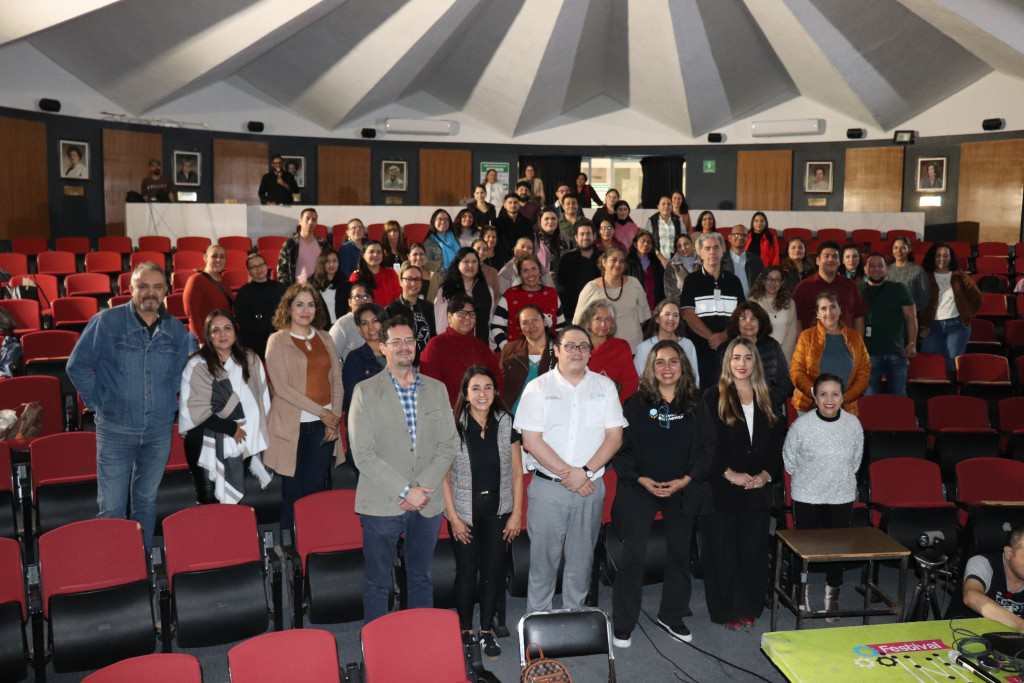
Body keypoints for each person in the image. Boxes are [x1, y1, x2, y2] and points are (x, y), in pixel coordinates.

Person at [67, 262, 193, 548]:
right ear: (130, 289)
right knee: (111, 507)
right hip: (115, 430)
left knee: (146, 503)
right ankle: (116, 569)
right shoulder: (106, 322)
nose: (151, 292)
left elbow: (180, 375)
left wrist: (165, 399)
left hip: (159, 430)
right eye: (143, 286)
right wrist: (98, 402)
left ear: (166, 291)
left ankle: (142, 561)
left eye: (157, 286)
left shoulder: (176, 329)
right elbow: (78, 366)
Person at [349, 318, 458, 623]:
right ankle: (378, 648)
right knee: (377, 582)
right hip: (382, 502)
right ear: (382, 347)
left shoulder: (436, 389)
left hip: (427, 500)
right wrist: (405, 490)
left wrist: (420, 488)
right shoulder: (365, 391)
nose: (404, 347)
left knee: (422, 577)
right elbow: (364, 454)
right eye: (395, 341)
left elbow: (448, 445)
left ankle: (419, 642)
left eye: (409, 340)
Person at [514, 325, 627, 613]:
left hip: (590, 488)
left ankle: (575, 618)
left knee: (581, 560)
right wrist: (572, 474)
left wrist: (586, 472)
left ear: (590, 352)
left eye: (583, 346)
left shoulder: (605, 387)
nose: (577, 352)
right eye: (570, 346)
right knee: (543, 561)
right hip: (549, 489)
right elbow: (530, 440)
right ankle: (537, 623)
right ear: (556, 350)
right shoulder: (537, 388)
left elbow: (615, 437)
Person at [611, 340, 713, 647]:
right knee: (633, 555)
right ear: (650, 368)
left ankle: (671, 614)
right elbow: (621, 449)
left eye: (672, 362)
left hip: (681, 485)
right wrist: (640, 479)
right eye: (660, 363)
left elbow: (708, 447)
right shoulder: (635, 403)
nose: (666, 368)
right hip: (643, 486)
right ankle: (623, 622)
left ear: (683, 366)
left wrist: (686, 479)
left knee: (680, 554)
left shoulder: (697, 402)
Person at [701, 337, 785, 630]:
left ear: (755, 363)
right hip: (722, 486)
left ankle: (749, 605)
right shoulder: (712, 397)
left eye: (748, 358)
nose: (742, 363)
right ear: (728, 362)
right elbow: (704, 446)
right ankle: (726, 610)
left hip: (756, 488)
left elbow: (777, 444)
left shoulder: (768, 397)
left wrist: (766, 473)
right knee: (722, 551)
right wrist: (728, 474)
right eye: (736, 357)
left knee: (752, 551)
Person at [442, 367, 523, 656]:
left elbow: (517, 472)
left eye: (488, 387)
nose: (482, 394)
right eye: (475, 388)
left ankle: (487, 631)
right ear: (465, 394)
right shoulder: (453, 426)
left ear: (495, 392)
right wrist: (453, 518)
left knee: (492, 573)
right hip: (465, 514)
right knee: (466, 573)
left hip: (499, 513)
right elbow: (444, 477)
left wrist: (516, 514)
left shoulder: (505, 422)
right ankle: (465, 631)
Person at [783, 373, 864, 619]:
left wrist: (836, 480)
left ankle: (832, 600)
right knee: (804, 549)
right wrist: (812, 480)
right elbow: (789, 461)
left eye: (835, 394)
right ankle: (801, 595)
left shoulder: (853, 425)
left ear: (843, 398)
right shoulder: (801, 426)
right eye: (823, 394)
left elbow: (856, 461)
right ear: (815, 398)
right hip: (807, 495)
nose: (829, 399)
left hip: (841, 495)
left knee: (837, 549)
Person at [263, 283, 344, 530]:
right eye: (299, 304)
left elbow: (337, 381)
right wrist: (324, 413)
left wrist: (334, 420)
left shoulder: (325, 337)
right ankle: (291, 551)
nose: (305, 310)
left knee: (315, 490)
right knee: (293, 492)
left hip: (323, 427)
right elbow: (282, 388)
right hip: (292, 426)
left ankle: (314, 542)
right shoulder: (277, 340)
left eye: (311, 304)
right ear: (288, 308)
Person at [178, 310, 272, 505]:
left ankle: (230, 535)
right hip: (203, 441)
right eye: (216, 330)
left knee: (233, 500)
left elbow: (261, 400)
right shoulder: (197, 364)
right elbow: (194, 411)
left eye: (227, 328)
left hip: (242, 439)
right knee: (208, 501)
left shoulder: (250, 359)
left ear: (235, 332)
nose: (222, 334)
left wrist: (244, 430)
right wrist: (230, 428)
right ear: (208, 336)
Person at [679, 232, 744, 389]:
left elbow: (741, 315)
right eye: (707, 248)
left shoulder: (734, 281)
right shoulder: (691, 281)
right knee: (703, 396)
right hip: (700, 351)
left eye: (716, 247)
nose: (712, 252)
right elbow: (688, 315)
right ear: (700, 254)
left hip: (729, 350)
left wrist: (725, 335)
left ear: (723, 251)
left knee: (728, 394)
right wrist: (713, 338)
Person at [790, 291, 871, 416]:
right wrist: (816, 393)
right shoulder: (806, 337)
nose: (829, 312)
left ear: (840, 310)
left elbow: (864, 372)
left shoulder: (855, 338)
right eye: (823, 308)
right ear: (817, 313)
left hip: (845, 408)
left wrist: (845, 398)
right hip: (809, 407)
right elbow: (796, 371)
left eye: (833, 307)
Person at [421, 292, 502, 408]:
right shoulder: (435, 346)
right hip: (449, 414)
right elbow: (430, 388)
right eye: (461, 313)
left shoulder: (481, 346)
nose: (467, 318)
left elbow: (497, 381)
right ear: (449, 317)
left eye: (471, 314)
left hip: (484, 412)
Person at [718, 302, 793, 417]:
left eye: (753, 318)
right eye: (743, 318)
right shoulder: (725, 348)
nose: (748, 323)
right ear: (736, 323)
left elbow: (786, 382)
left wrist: (769, 401)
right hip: (735, 410)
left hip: (769, 409)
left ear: (760, 322)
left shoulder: (772, 345)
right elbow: (716, 383)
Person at [919, 242, 983, 373]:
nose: (941, 259)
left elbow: (978, 298)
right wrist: (921, 326)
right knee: (929, 366)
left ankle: (951, 392)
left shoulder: (960, 276)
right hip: (931, 328)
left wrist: (967, 314)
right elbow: (916, 305)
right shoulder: (924, 277)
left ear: (950, 258)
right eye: (938, 255)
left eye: (945, 255)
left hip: (957, 328)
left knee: (951, 366)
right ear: (933, 257)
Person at [574, 245, 651, 353]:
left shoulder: (634, 284)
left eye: (622, 261)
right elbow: (579, 321)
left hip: (632, 348)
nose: (618, 264)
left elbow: (643, 317)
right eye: (614, 260)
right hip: (600, 350)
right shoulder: (590, 288)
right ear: (604, 262)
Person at [861, 254, 917, 396]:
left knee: (899, 395)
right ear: (865, 269)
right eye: (872, 266)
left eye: (880, 265)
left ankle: (900, 419)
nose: (876, 269)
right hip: (868, 354)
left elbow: (911, 317)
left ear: (886, 269)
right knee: (869, 396)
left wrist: (912, 343)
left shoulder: (899, 288)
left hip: (896, 352)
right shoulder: (858, 290)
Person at [957, 523, 1024, 633]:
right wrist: (1021, 625)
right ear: (1009, 553)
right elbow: (971, 597)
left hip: (1010, 643)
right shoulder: (982, 563)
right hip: (962, 636)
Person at [792, 241, 867, 334]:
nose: (831, 259)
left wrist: (857, 345)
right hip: (813, 346)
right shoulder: (803, 287)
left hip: (846, 344)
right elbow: (796, 319)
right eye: (826, 256)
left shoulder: (851, 286)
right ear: (817, 260)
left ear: (840, 261)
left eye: (835, 256)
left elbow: (858, 318)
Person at [490, 255, 563, 349]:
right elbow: (496, 326)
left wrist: (557, 350)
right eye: (525, 271)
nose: (530, 274)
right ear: (519, 274)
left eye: (534, 269)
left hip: (548, 353)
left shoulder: (552, 294)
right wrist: (506, 348)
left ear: (540, 272)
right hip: (517, 354)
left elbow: (561, 328)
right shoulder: (510, 295)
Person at [578, 299, 639, 405]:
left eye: (608, 319)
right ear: (589, 321)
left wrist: (611, 385)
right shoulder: (577, 348)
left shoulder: (621, 346)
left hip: (614, 405)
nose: (603, 324)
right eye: (598, 319)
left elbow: (631, 383)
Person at [499, 304, 557, 414]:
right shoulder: (509, 349)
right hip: (513, 415)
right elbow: (500, 383)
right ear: (520, 327)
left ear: (544, 321)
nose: (531, 325)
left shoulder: (560, 349)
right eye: (525, 323)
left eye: (535, 320)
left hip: (548, 414)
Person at [341, 303, 388, 430]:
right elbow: (355, 400)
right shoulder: (355, 358)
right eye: (364, 323)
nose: (371, 327)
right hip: (366, 426)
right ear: (359, 330)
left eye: (375, 321)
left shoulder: (396, 354)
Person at [434, 247, 494, 344]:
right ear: (458, 264)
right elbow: (441, 324)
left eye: (474, 261)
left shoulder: (487, 290)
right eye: (466, 261)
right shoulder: (447, 289)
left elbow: (489, 321)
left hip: (480, 346)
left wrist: (491, 347)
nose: (470, 265)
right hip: (453, 345)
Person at [234, 253, 287, 361]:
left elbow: (288, 312)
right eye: (254, 267)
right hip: (255, 343)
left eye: (261, 265)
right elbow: (244, 320)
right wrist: (268, 333)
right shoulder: (244, 293)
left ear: (267, 266)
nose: (259, 269)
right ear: (248, 271)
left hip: (280, 340)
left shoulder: (281, 288)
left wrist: (277, 333)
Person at [633, 299, 699, 387]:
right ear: (657, 318)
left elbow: (694, 378)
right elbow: (640, 380)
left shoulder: (687, 344)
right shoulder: (644, 347)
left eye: (675, 315)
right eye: (667, 314)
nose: (671, 319)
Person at [747, 266, 799, 363]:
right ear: (763, 281)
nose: (773, 283)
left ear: (782, 283)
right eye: (769, 279)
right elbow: (749, 330)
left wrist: (781, 353)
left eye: (777, 280)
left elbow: (792, 330)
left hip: (784, 356)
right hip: (759, 355)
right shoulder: (752, 302)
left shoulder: (790, 303)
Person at [384, 262, 436, 359]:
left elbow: (433, 336)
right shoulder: (391, 309)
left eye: (417, 279)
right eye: (409, 279)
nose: (413, 283)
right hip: (404, 360)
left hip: (428, 361)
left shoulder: (428, 307)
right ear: (400, 282)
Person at [183, 244, 232, 339]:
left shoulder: (225, 281)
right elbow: (192, 314)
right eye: (214, 256)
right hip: (202, 337)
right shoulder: (195, 280)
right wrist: (201, 339)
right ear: (205, 258)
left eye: (222, 257)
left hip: (221, 335)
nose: (218, 260)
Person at [556, 221, 601, 322]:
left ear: (594, 236)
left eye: (588, 233)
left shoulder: (603, 258)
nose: (585, 237)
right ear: (576, 237)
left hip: (598, 313)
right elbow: (561, 288)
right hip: (572, 315)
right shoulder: (567, 259)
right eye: (582, 234)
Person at [277, 208, 331, 286]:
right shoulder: (290, 244)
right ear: (300, 221)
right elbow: (282, 271)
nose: (310, 222)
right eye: (307, 219)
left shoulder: (323, 244)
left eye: (314, 220)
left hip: (320, 288)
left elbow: (330, 267)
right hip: (297, 289)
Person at [328, 284, 373, 363]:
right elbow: (330, 358)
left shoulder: (379, 321)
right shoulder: (342, 325)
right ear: (349, 302)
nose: (362, 301)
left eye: (366, 297)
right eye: (357, 297)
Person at [886, 236, 930, 315]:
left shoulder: (918, 270)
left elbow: (925, 296)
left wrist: (915, 313)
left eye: (903, 247)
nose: (899, 251)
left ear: (909, 249)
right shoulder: (886, 270)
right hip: (890, 315)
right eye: (895, 247)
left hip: (912, 316)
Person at [350, 240, 401, 306]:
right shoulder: (356, 276)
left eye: (379, 252)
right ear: (363, 255)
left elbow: (397, 299)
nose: (375, 255)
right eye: (371, 252)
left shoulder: (391, 273)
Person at [625, 231, 666, 310]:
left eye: (649, 242)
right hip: (634, 308)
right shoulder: (628, 263)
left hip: (655, 307)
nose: (645, 244)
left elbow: (662, 288)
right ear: (635, 244)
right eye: (642, 241)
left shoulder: (657, 264)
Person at [722, 224, 765, 297]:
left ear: (747, 239)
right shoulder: (722, 260)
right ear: (729, 238)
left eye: (744, 235)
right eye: (736, 234)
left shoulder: (756, 260)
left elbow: (762, 283)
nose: (740, 237)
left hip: (750, 302)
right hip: (728, 302)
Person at [311, 248, 351, 325]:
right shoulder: (311, 285)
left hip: (342, 326)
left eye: (334, 261)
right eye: (327, 261)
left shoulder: (345, 284)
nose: (331, 265)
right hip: (320, 328)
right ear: (321, 263)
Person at [494, 194, 534, 265]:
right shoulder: (497, 222)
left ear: (519, 205)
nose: (513, 205)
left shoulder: (526, 222)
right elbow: (497, 242)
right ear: (505, 206)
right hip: (502, 259)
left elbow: (530, 239)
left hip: (522, 258)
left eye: (515, 202)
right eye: (510, 202)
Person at [534, 208, 572, 281]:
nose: (550, 221)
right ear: (540, 221)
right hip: (541, 282)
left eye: (553, 218)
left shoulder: (565, 238)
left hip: (564, 282)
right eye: (546, 219)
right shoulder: (534, 240)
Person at [422, 208, 460, 277]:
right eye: (440, 219)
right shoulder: (429, 242)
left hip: (456, 278)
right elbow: (428, 266)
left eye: (446, 219)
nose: (443, 222)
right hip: (438, 280)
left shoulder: (455, 238)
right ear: (433, 221)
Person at [646, 196, 682, 266]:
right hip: (656, 260)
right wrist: (663, 260)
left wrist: (672, 260)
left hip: (676, 260)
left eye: (669, 204)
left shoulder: (678, 220)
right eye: (663, 204)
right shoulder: (651, 221)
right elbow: (649, 241)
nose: (666, 206)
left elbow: (683, 239)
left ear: (671, 207)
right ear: (658, 207)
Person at [664, 233, 697, 302]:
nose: (683, 248)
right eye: (679, 246)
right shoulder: (671, 266)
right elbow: (670, 293)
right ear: (676, 249)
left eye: (686, 244)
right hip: (681, 307)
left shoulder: (703, 262)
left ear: (692, 244)